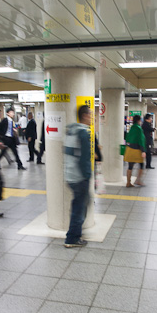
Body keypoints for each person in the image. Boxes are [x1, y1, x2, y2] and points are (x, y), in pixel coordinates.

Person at [64, 105, 92, 248]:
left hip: (69, 175)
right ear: (85, 115)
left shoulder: (71, 131)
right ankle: (72, 238)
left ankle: (74, 233)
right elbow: (84, 158)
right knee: (79, 208)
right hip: (79, 177)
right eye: (91, 115)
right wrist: (87, 175)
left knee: (79, 205)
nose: (92, 117)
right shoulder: (83, 133)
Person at [124, 115, 147, 187]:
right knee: (141, 165)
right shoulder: (139, 128)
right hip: (137, 150)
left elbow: (127, 138)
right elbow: (141, 140)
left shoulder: (131, 128)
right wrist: (143, 151)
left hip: (129, 149)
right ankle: (138, 181)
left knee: (130, 166)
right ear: (138, 120)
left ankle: (128, 182)